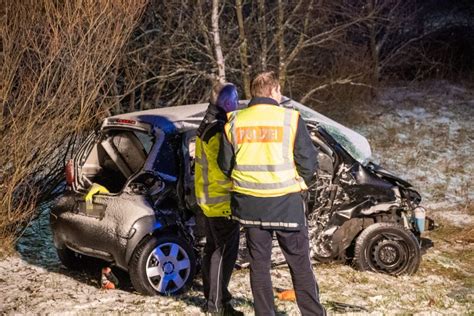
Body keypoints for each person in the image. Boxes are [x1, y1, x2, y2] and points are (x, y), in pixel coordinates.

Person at [218, 71, 326, 316]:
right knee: (299, 265)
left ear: (253, 93)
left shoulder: (234, 120)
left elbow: (225, 165)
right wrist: (302, 182)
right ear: (274, 91)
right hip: (286, 202)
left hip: (250, 205)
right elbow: (308, 162)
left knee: (259, 265)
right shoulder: (290, 119)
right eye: (279, 91)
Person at [194, 82, 243, 316]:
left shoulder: (207, 123)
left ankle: (216, 299)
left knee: (213, 251)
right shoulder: (218, 128)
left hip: (208, 200)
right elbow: (225, 165)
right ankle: (217, 305)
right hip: (222, 201)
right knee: (224, 254)